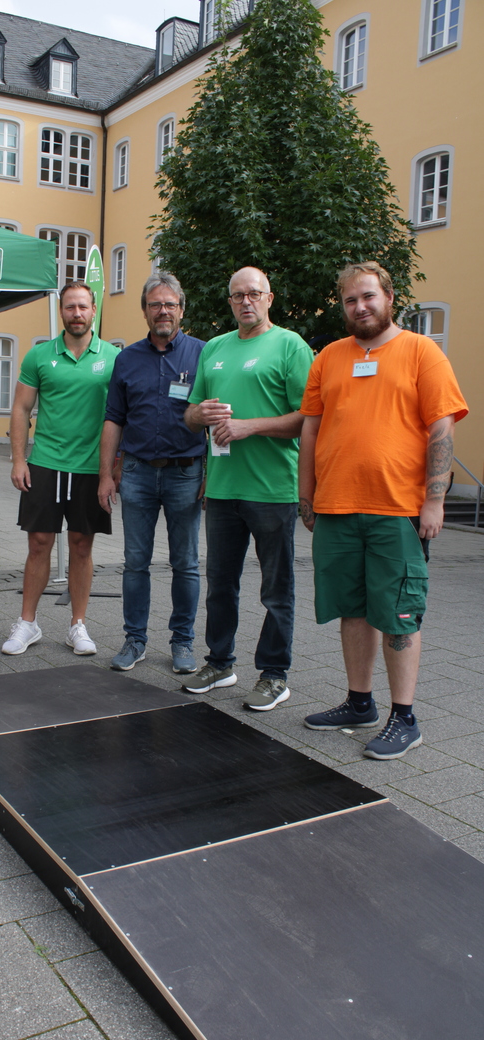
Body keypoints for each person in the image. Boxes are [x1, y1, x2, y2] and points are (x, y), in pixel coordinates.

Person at [298, 261, 468, 759]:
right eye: (351, 300)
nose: (360, 307)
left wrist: (434, 499)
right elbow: (310, 429)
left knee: (398, 614)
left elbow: (442, 428)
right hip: (337, 507)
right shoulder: (329, 357)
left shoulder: (420, 352)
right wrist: (306, 496)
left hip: (398, 510)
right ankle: (358, 702)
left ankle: (405, 717)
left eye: (368, 296)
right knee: (353, 610)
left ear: (389, 297)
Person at [181, 266, 313, 708]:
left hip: (272, 489)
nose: (246, 302)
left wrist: (248, 427)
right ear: (230, 300)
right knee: (220, 582)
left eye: (254, 294)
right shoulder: (215, 348)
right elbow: (191, 412)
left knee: (276, 588)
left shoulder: (290, 345)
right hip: (222, 489)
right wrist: (200, 416)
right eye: (238, 295)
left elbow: (307, 419)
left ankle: (274, 674)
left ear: (269, 298)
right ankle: (220, 662)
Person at [2, 281, 119, 656]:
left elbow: (120, 417)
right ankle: (27, 623)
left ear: (94, 310)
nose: (77, 313)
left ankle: (78, 625)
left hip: (90, 467)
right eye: (70, 307)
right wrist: (19, 459)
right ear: (61, 312)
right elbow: (20, 409)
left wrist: (112, 469)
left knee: (81, 547)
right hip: (46, 464)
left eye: (83, 307)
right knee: (39, 544)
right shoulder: (39, 355)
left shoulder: (114, 357)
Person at [98, 272, 206, 674]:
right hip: (138, 474)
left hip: (186, 473)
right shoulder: (126, 359)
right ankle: (135, 640)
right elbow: (113, 420)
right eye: (155, 304)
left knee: (187, 563)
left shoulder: (202, 354)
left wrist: (212, 470)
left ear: (181, 309)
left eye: (170, 304)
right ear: (145, 310)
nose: (163, 311)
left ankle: (183, 642)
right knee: (135, 563)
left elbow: (215, 415)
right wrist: (106, 475)